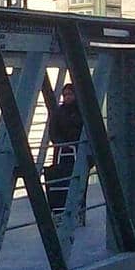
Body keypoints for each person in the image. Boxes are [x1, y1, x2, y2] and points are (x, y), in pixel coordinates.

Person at [44, 81, 82, 215]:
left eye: (70, 94)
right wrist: (61, 143)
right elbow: (53, 132)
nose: (67, 97)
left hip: (78, 150)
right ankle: (62, 209)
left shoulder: (81, 111)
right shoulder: (58, 112)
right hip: (62, 152)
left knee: (78, 179)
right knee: (62, 179)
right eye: (65, 95)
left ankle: (78, 209)